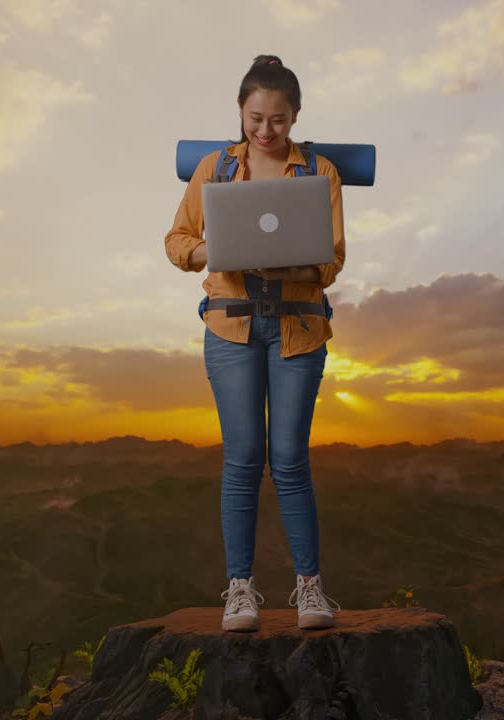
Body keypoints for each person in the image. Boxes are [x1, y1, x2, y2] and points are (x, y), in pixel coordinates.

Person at [163, 54, 347, 633]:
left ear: (295, 117)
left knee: (290, 460)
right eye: (256, 118)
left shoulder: (319, 173)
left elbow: (334, 257)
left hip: (297, 327)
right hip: (231, 326)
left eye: (279, 120)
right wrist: (213, 251)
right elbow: (176, 240)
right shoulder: (215, 170)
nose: (266, 131)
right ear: (241, 113)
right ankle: (240, 590)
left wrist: (303, 263)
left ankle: (310, 589)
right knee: (242, 461)